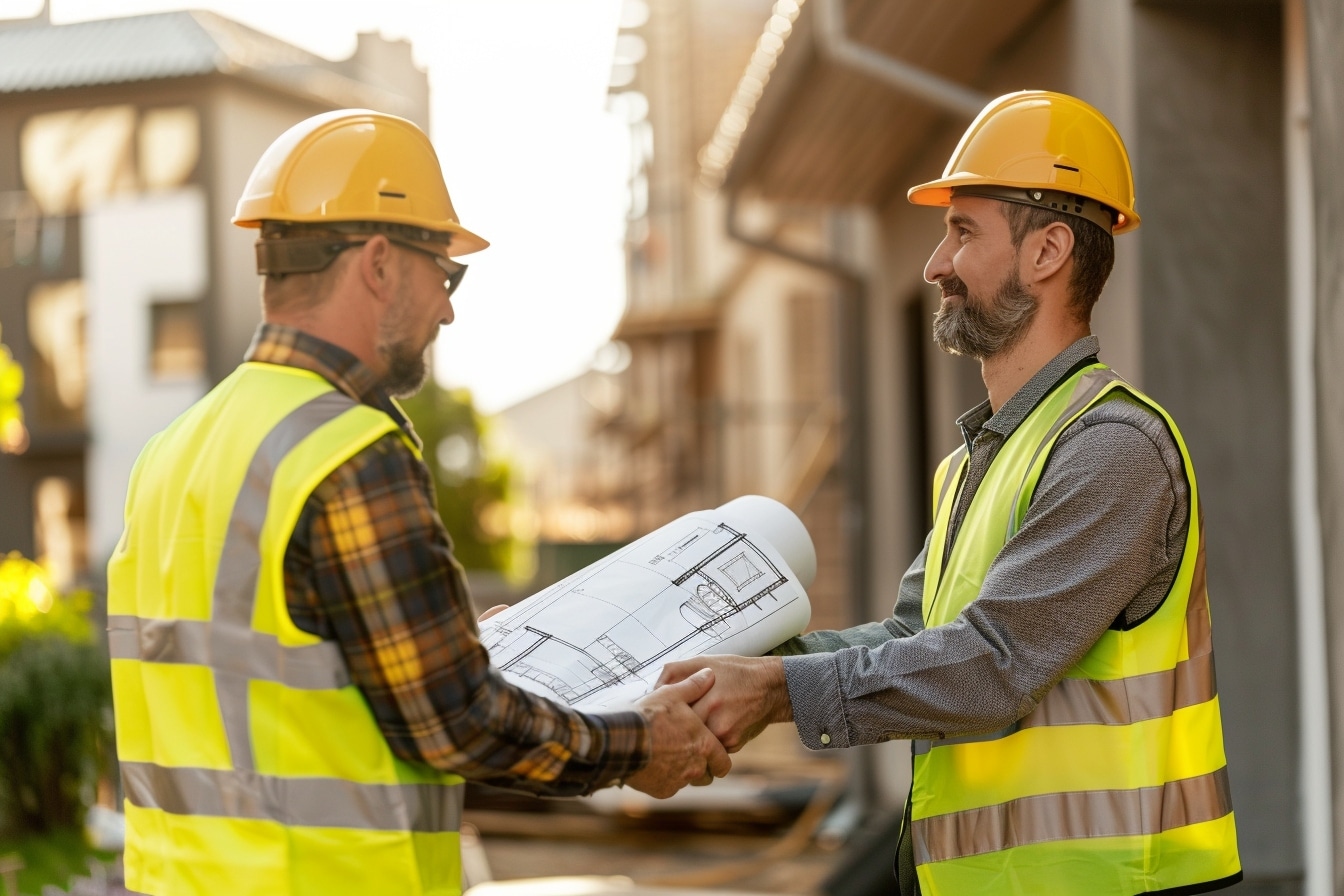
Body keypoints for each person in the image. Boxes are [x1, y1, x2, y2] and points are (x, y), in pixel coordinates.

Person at [106, 109, 730, 896]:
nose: (447, 309)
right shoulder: (347, 454)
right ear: (377, 263)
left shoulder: (174, 450)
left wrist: (455, 641)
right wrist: (643, 743)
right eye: (443, 271)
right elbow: (456, 722)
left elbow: (265, 682)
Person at [659, 91, 1242, 895]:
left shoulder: (1113, 450)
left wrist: (776, 693)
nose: (934, 264)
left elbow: (992, 664)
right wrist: (735, 667)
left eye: (962, 231)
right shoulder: (979, 462)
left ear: (1048, 252)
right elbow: (912, 635)